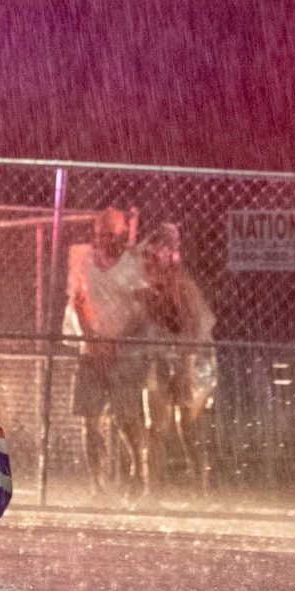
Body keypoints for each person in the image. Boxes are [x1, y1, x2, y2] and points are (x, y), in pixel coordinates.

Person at [66, 207, 147, 496]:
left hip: (122, 351)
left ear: (123, 234)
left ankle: (139, 472)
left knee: (127, 418)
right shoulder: (84, 261)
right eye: (100, 234)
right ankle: (97, 484)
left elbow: (140, 310)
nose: (104, 240)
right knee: (91, 419)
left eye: (110, 235)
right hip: (92, 350)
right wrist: (93, 340)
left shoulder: (133, 264)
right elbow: (77, 302)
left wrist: (117, 341)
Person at [136, 222, 216, 490]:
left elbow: (193, 328)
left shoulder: (181, 285)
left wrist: (186, 368)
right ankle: (153, 488)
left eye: (153, 257)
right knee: (155, 425)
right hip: (160, 357)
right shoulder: (146, 287)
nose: (148, 263)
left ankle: (200, 486)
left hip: (194, 357)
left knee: (188, 422)